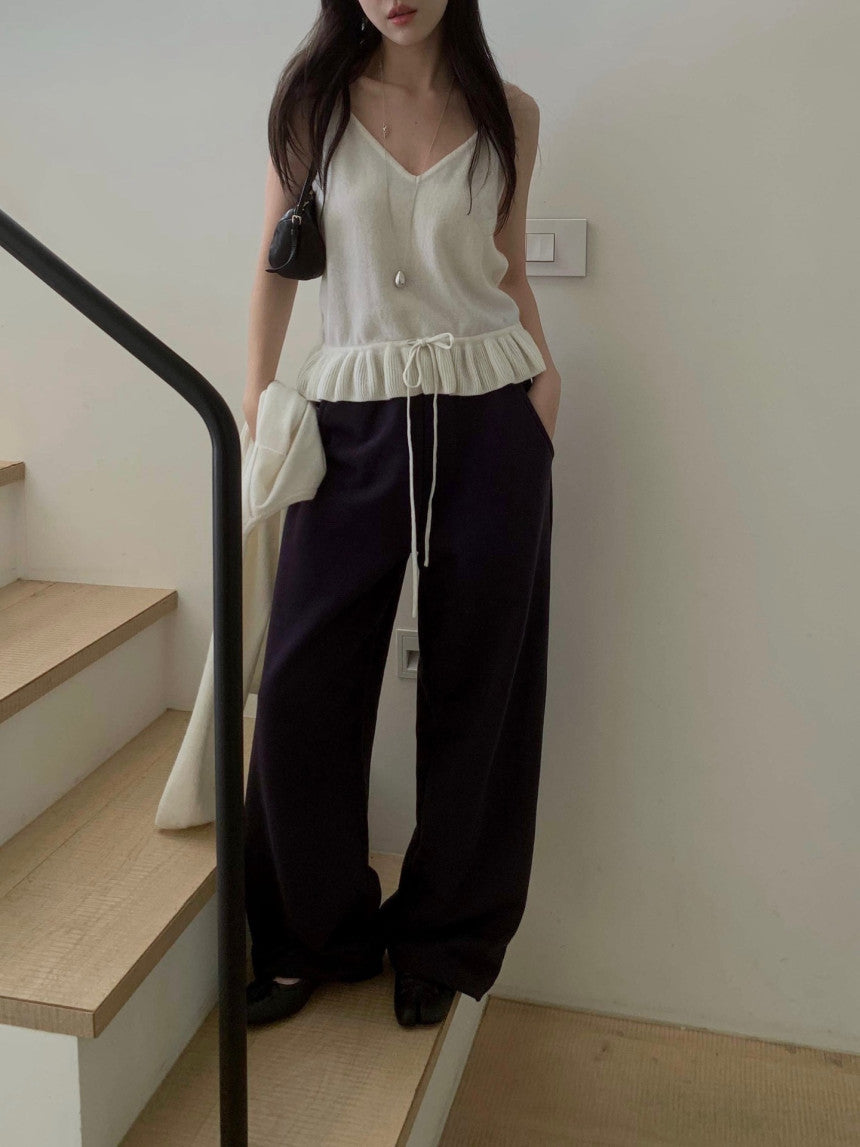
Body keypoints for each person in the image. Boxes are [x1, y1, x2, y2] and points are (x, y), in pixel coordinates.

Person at [243, 0, 560, 1029]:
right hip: (349, 416)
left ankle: (443, 938)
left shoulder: (510, 113)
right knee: (303, 686)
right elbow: (274, 266)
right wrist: (258, 408)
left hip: (491, 412)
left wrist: (543, 397)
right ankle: (310, 932)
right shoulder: (313, 104)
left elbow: (509, 269)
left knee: (483, 690)